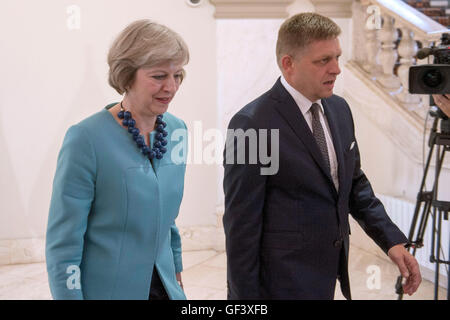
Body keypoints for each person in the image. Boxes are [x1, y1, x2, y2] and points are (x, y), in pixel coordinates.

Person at [223, 12, 422, 300]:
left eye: (338, 57)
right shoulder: (251, 124)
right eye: (323, 60)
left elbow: (355, 186)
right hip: (279, 285)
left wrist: (392, 241)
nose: (337, 69)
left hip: (328, 276)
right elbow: (241, 228)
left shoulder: (339, 110)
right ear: (288, 64)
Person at [46, 19, 189, 300]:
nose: (171, 87)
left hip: (165, 289)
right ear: (126, 76)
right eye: (159, 76)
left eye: (178, 75)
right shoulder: (85, 139)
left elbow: (167, 217)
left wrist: (177, 272)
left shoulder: (178, 131)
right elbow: (64, 244)